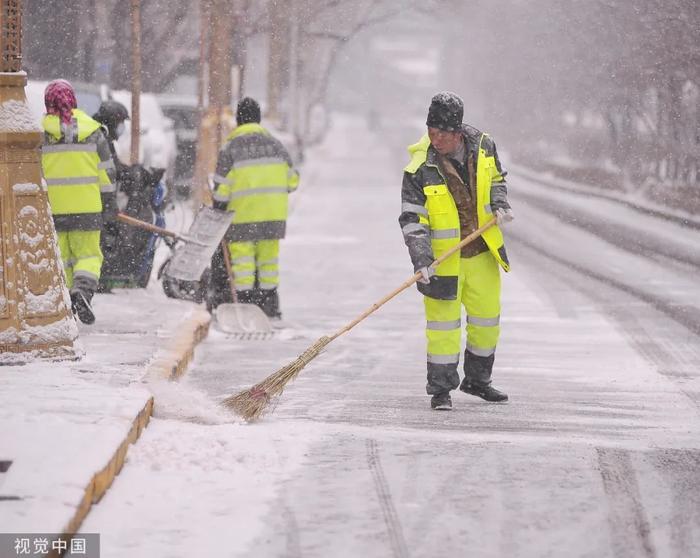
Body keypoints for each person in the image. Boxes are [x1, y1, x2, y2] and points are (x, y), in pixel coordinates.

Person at [399, 92, 514, 411]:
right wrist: (421, 260)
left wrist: (500, 204)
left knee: (487, 319)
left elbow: (496, 180)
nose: (435, 139)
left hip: (481, 251)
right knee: (443, 327)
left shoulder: (484, 147)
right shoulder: (420, 167)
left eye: (442, 134)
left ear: (458, 132)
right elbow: (412, 219)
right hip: (442, 260)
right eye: (431, 132)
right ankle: (440, 390)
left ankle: (478, 381)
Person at [211, 97, 299, 319]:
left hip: (241, 219)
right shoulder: (277, 146)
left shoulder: (230, 149)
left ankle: (246, 307)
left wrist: (218, 207)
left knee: (243, 265)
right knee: (268, 263)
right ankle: (269, 305)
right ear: (258, 119)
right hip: (272, 218)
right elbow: (293, 181)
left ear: (238, 120)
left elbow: (222, 191)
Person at [40, 79, 116, 324]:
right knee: (88, 256)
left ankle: (65, 303)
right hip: (88, 209)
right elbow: (107, 175)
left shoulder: (40, 136)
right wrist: (109, 206)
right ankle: (82, 292)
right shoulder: (94, 132)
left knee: (62, 259)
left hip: (54, 211)